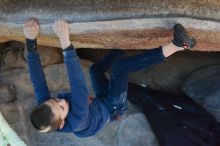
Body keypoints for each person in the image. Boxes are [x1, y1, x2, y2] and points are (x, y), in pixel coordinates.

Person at [24, 18, 196, 137]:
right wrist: (64, 40)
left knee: (94, 70)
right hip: (113, 107)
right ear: (61, 124)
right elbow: (78, 83)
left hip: (99, 103)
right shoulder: (77, 119)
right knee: (120, 69)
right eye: (61, 108)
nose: (62, 102)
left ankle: (122, 45)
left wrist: (30, 41)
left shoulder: (48, 111)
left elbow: (37, 80)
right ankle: (178, 45)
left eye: (55, 100)